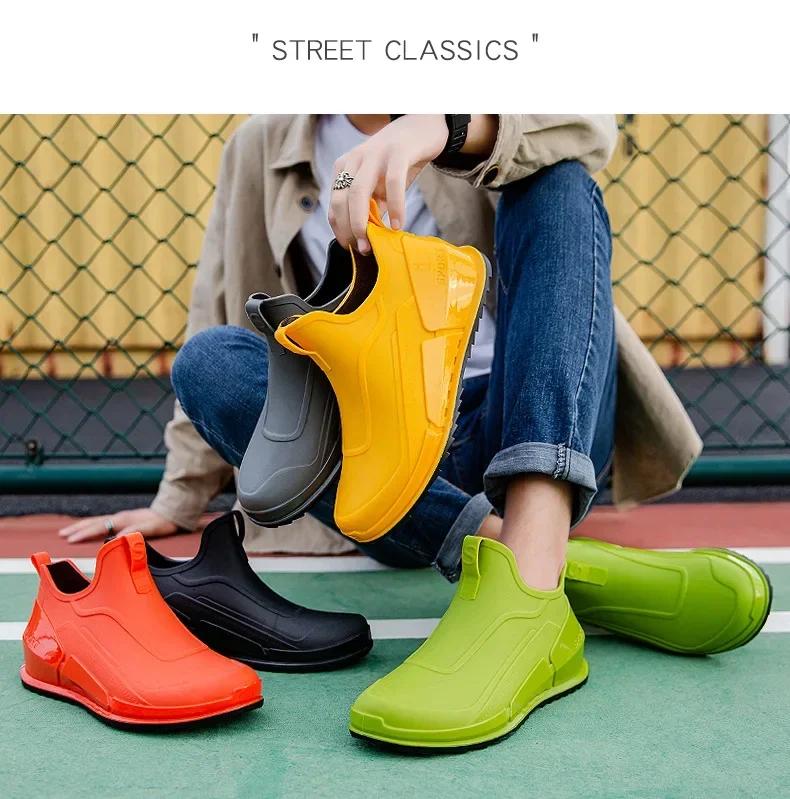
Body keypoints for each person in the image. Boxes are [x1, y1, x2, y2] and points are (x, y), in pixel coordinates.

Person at [59, 115, 700, 586]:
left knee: (560, 186)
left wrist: (442, 127)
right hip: (380, 454)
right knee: (209, 361)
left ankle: (530, 552)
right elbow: (220, 304)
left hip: (524, 418)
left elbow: (591, 127)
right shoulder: (261, 143)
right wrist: (177, 500)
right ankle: (506, 550)